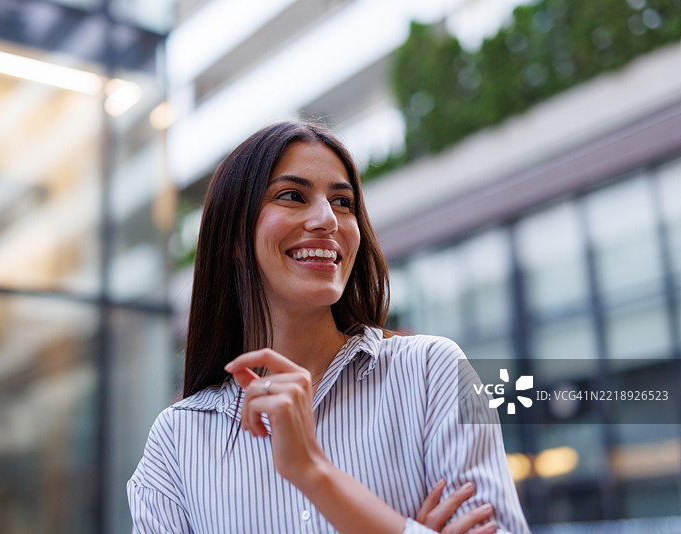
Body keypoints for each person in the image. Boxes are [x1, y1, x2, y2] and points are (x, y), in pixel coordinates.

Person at [128, 120, 530, 533]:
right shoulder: (177, 443)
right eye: (292, 196)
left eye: (343, 202)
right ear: (233, 235)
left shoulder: (433, 372)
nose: (327, 219)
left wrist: (313, 472)